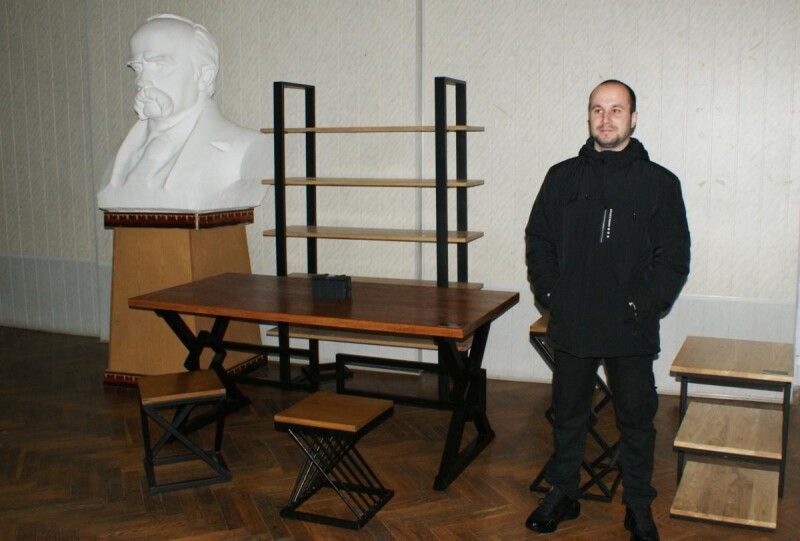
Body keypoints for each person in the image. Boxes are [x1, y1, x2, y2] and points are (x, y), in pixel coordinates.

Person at [524, 80, 690, 541]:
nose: (606, 118)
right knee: (569, 414)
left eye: (617, 109)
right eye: (598, 109)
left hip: (629, 325)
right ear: (589, 116)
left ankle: (637, 504)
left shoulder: (660, 183)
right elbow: (538, 239)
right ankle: (564, 493)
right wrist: (552, 294)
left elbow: (674, 258)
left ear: (633, 118)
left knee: (636, 419)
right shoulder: (561, 177)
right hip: (573, 320)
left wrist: (642, 303)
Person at [97, 14, 267, 212]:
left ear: (205, 75)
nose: (141, 81)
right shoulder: (121, 153)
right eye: (138, 67)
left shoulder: (246, 148)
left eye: (159, 65)